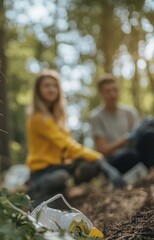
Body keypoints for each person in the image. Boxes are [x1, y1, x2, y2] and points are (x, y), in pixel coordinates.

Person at [25, 69, 124, 206]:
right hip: (42, 171)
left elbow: (69, 150)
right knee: (61, 176)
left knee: (89, 165)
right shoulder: (39, 119)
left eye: (55, 86)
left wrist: (96, 162)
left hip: (60, 165)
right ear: (38, 90)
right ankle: (38, 191)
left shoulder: (56, 118)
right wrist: (102, 160)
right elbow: (67, 146)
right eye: (46, 86)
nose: (51, 89)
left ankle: (69, 188)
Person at [89, 73, 154, 176]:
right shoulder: (96, 117)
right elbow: (103, 149)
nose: (112, 94)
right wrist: (127, 138)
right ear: (101, 93)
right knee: (130, 155)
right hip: (115, 161)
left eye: (115, 90)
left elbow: (140, 139)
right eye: (108, 91)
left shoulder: (130, 112)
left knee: (151, 135)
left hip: (135, 153)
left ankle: (152, 172)